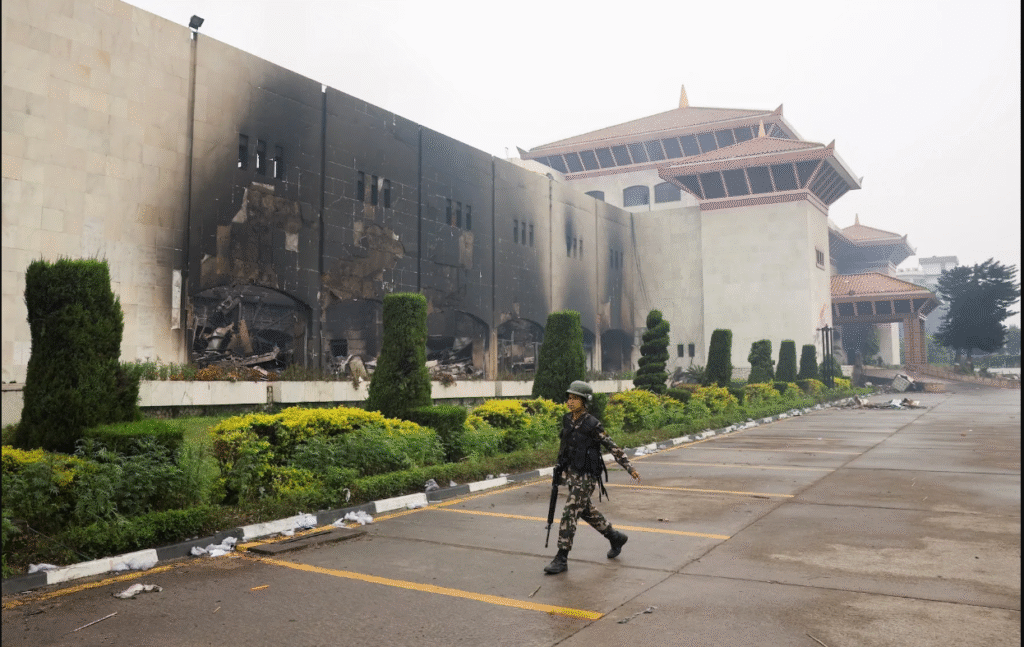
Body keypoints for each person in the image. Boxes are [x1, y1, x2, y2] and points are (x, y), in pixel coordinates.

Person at [544, 380, 641, 575]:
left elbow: (611, 445)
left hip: (587, 476)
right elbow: (565, 446)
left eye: (575, 399)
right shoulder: (567, 420)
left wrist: (629, 467)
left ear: (585, 401)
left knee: (570, 511)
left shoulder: (592, 424)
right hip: (573, 473)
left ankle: (561, 557)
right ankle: (615, 537)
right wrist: (559, 467)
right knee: (586, 510)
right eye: (569, 398)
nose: (570, 402)